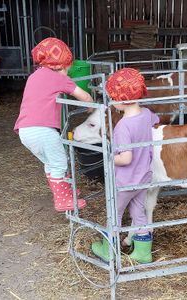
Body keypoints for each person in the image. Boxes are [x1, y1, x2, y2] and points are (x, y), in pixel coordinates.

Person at [14, 37, 93, 212]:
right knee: (59, 162)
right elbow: (84, 96)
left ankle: (65, 191)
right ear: (62, 65)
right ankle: (62, 200)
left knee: (51, 163)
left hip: (25, 131)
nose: (68, 73)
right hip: (43, 130)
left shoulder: (34, 76)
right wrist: (91, 107)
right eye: (68, 69)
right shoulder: (59, 78)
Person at [91, 68, 159, 264]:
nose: (112, 102)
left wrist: (110, 156)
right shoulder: (146, 113)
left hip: (125, 181)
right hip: (144, 177)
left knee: (115, 213)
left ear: (121, 101)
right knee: (138, 213)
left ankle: (108, 251)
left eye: (113, 98)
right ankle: (144, 253)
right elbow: (156, 121)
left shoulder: (122, 126)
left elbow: (126, 158)